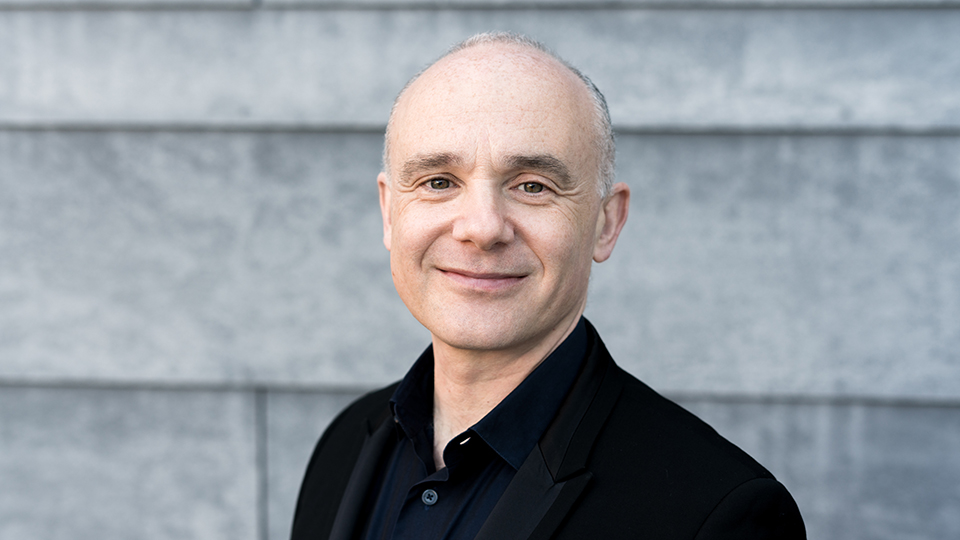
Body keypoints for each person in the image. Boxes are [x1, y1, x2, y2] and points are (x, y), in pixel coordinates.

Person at [291, 32, 805, 540]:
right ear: (389, 211)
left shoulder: (717, 513)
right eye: (439, 182)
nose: (483, 227)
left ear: (607, 222)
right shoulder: (342, 447)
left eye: (532, 185)